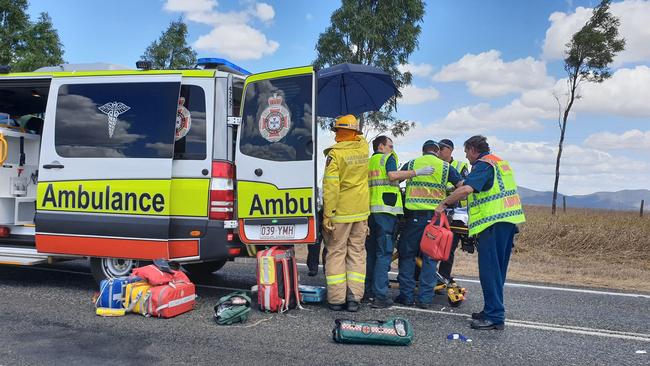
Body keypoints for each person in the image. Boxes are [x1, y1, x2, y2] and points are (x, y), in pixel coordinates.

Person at [436, 135, 525, 330]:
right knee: (497, 271)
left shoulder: (483, 165)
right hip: (507, 222)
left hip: (492, 223)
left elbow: (467, 189)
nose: (466, 156)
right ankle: (492, 309)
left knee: (489, 271)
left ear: (474, 150)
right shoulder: (500, 163)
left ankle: (494, 316)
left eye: (467, 151)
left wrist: (443, 204)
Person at [364, 135, 432, 308]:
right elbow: (393, 175)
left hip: (372, 212)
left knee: (372, 254)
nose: (392, 149)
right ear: (381, 146)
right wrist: (417, 172)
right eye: (390, 146)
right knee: (384, 254)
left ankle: (368, 292)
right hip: (387, 212)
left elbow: (386, 179)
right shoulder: (389, 158)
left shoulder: (370, 162)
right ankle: (380, 296)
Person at [394, 140, 462, 309]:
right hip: (435, 219)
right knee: (430, 258)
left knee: (407, 256)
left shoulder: (413, 163)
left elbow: (395, 179)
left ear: (423, 151)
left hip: (414, 218)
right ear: (437, 151)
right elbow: (462, 186)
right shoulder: (446, 167)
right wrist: (446, 198)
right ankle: (425, 299)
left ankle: (407, 296)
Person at [322, 114, 370, 312]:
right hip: (361, 211)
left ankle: (336, 299)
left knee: (336, 252)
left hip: (341, 212)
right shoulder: (364, 148)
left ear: (338, 132)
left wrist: (328, 213)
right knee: (357, 253)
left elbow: (331, 186)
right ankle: (354, 298)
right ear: (356, 132)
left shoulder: (335, 155)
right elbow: (361, 139)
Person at [435, 139, 470, 291]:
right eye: (438, 149)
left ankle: (443, 278)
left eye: (442, 149)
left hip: (454, 214)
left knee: (448, 249)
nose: (439, 151)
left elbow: (465, 189)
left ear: (450, 150)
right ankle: (423, 277)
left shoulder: (460, 166)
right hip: (437, 211)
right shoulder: (435, 164)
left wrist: (449, 193)